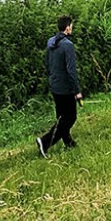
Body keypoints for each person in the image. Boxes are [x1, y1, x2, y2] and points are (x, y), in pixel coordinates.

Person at [36, 14, 82, 157]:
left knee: (62, 117)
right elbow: (71, 71)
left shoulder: (51, 42)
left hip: (54, 85)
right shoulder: (68, 45)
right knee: (70, 117)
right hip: (65, 88)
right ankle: (45, 142)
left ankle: (68, 142)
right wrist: (77, 91)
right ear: (67, 28)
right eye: (72, 26)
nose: (72, 28)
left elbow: (48, 64)